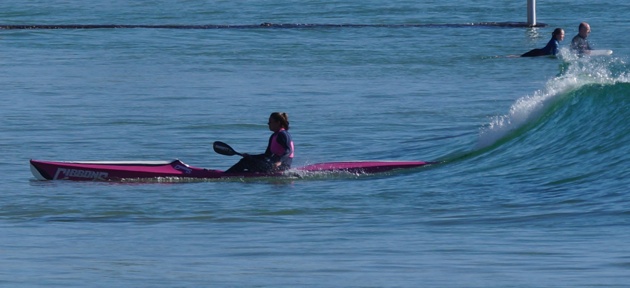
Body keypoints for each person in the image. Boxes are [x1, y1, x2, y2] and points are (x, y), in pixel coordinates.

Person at [225, 112, 294, 173]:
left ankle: (225, 175)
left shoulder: (283, 134)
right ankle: (236, 174)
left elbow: (289, 150)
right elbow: (267, 155)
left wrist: (279, 161)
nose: (268, 124)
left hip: (282, 167)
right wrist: (250, 156)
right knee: (248, 159)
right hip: (272, 165)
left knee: (245, 162)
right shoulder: (274, 136)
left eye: (270, 122)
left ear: (278, 122)